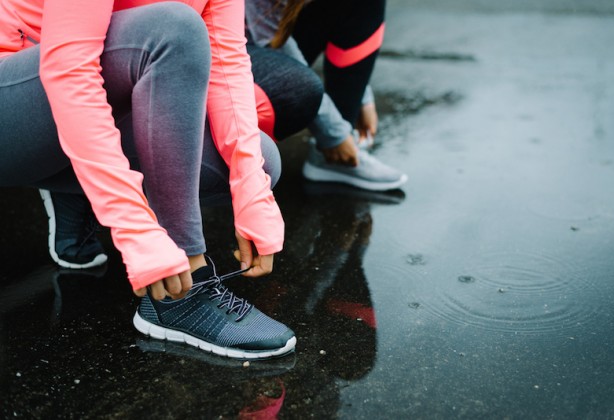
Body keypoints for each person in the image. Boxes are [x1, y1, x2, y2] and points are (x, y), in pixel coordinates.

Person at [0, 0, 296, 359]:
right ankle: (183, 293)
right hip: (16, 100)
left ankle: (78, 188)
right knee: (172, 28)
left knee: (262, 163)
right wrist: (135, 228)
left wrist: (253, 192)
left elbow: (226, 61)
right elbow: (70, 71)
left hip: (75, 97)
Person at [246, 0, 408, 191]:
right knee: (299, 86)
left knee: (363, 4)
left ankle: (335, 160)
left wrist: (359, 92)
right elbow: (274, 41)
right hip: (223, 64)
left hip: (254, 37)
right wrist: (333, 133)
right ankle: (333, 150)